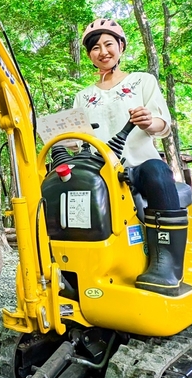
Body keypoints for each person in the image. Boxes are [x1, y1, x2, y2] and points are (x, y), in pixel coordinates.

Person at [72, 18, 186, 296]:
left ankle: (167, 263)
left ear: (121, 47)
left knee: (157, 173)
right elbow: (77, 141)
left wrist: (149, 121)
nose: (103, 51)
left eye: (109, 44)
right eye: (95, 47)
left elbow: (163, 125)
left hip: (137, 166)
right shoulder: (82, 96)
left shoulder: (142, 81)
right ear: (90, 55)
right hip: (99, 170)